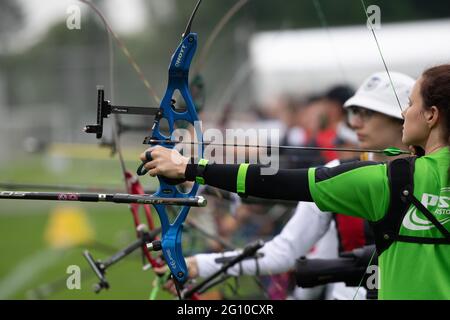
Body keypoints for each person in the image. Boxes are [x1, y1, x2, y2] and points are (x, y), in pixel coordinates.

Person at [141, 64, 450, 299]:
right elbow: (284, 250)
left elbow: (278, 182)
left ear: (428, 116)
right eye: (354, 111)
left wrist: (190, 168)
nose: (354, 122)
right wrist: (198, 265)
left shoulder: (377, 180)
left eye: (367, 113)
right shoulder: (354, 174)